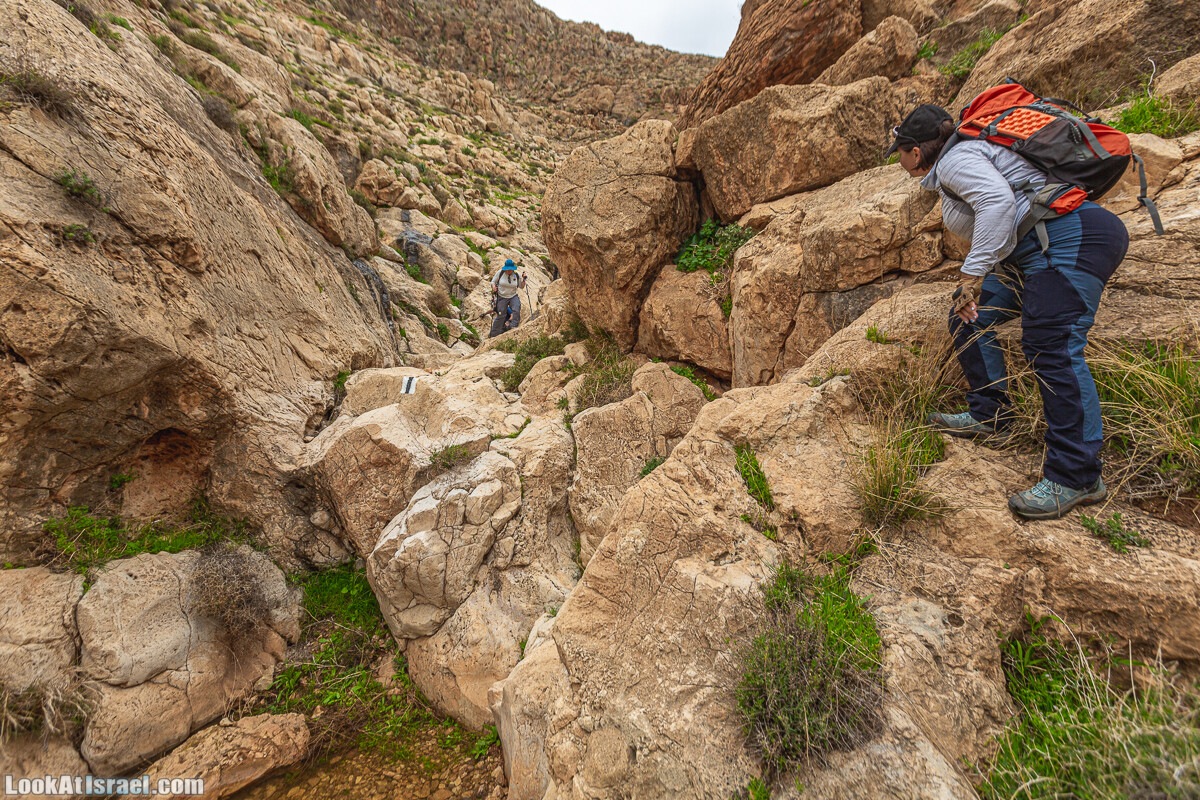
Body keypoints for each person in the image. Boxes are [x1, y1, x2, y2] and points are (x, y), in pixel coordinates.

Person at [885, 104, 1130, 520]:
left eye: (900, 153)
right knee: (968, 317)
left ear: (916, 150)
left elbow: (997, 203)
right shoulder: (967, 157)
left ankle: (1077, 475)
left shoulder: (956, 159)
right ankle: (992, 414)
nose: (900, 162)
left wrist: (972, 276)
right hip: (1035, 253)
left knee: (1052, 346)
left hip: (1070, 239)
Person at [489, 259, 526, 338]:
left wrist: (523, 280)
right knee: (501, 315)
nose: (509, 270)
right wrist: (494, 287)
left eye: (511, 269)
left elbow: (521, 286)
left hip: (513, 295)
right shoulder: (500, 273)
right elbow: (493, 281)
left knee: (516, 308)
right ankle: (493, 334)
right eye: (508, 269)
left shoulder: (516, 275)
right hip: (502, 296)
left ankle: (513, 326)